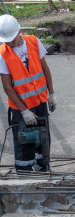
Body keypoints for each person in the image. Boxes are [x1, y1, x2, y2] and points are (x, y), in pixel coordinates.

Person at [0, 15, 56, 172]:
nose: (9, 43)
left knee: (43, 140)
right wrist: (24, 111)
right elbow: (7, 87)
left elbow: (45, 68)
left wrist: (51, 94)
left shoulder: (33, 41)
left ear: (19, 31)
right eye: (6, 41)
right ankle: (25, 175)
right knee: (24, 144)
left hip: (39, 103)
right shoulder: (2, 54)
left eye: (11, 39)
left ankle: (43, 168)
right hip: (21, 109)